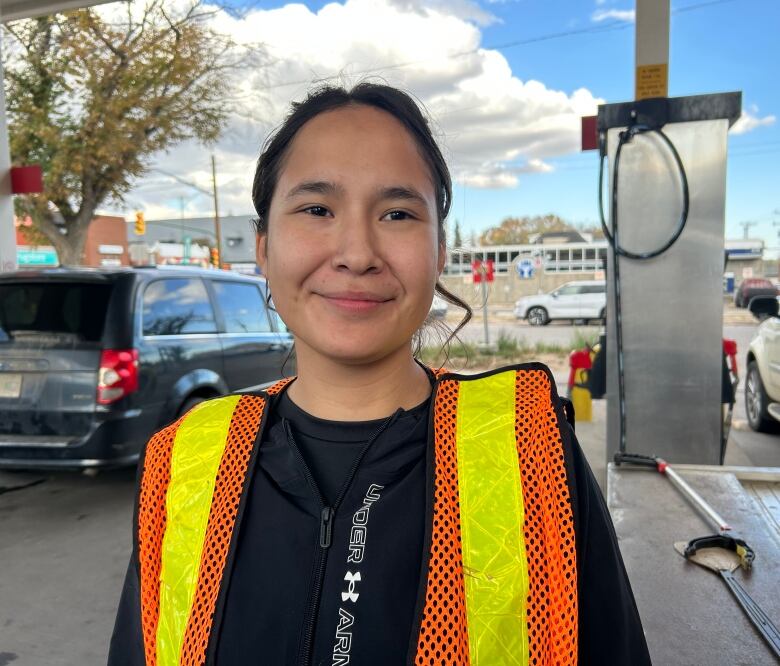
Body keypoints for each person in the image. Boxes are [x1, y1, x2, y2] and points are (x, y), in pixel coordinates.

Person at [108, 82, 651, 666]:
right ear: (263, 248)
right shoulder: (183, 462)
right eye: (317, 209)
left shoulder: (531, 453)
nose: (357, 252)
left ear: (440, 252)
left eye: (397, 213)